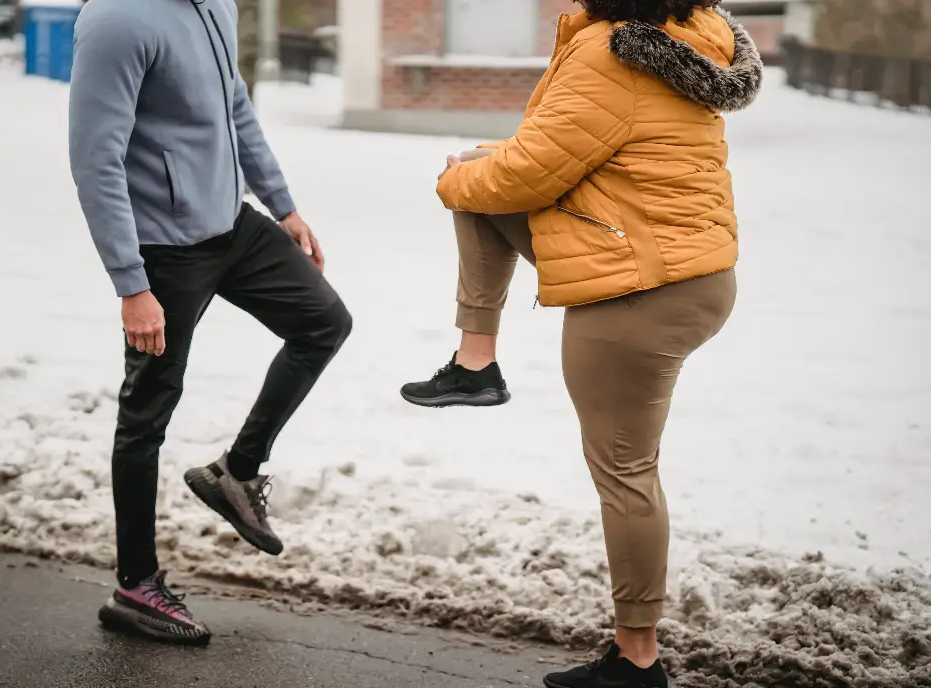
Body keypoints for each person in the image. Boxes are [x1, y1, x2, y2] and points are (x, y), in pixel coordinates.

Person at [402, 1, 761, 685]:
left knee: (626, 475)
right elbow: (541, 156)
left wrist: (450, 181)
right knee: (483, 172)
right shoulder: (684, 36)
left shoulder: (609, 53)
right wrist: (477, 175)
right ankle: (475, 363)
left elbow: (528, 174)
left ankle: (637, 660)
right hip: (686, 269)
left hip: (643, 292)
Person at [68, 0, 351, 645]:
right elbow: (95, 160)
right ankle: (135, 585)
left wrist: (280, 202)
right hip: (163, 250)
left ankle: (238, 471)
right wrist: (131, 283)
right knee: (147, 414)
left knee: (324, 322)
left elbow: (235, 107)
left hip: (233, 225)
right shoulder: (117, 22)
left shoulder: (214, 4)